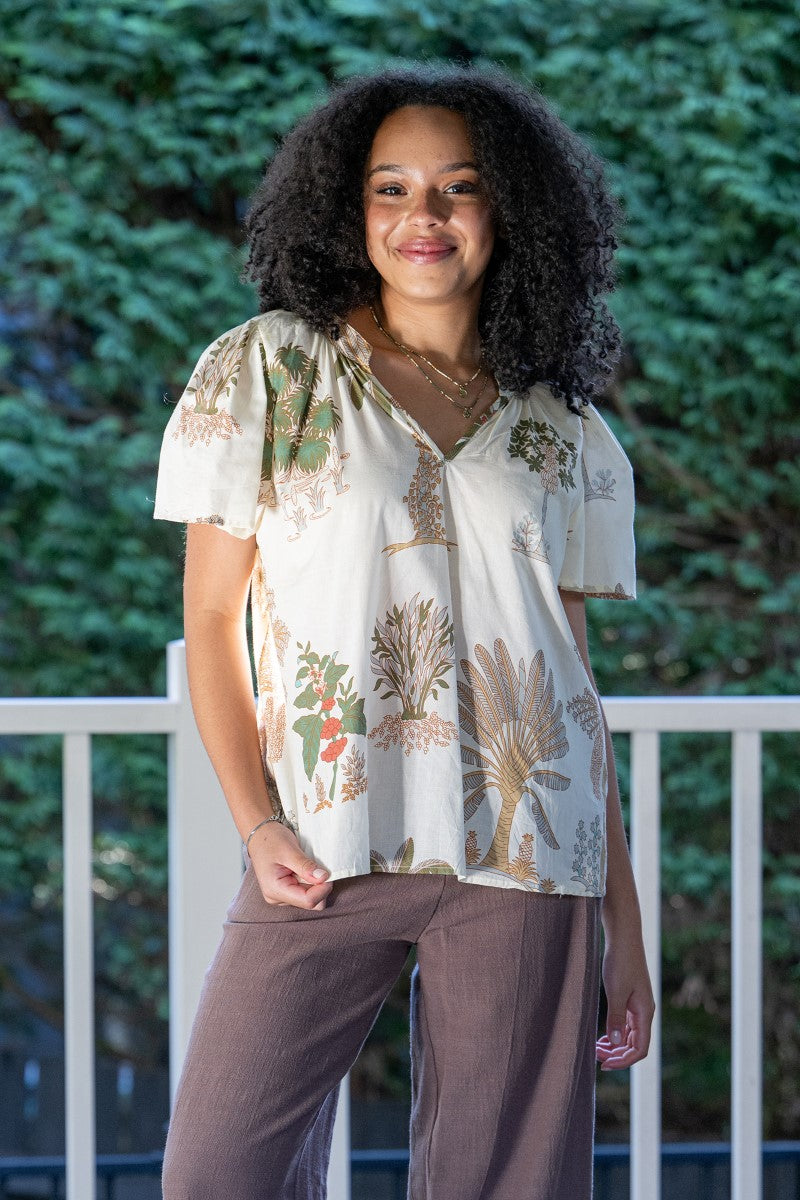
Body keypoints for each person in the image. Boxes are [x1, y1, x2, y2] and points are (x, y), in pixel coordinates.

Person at [154, 62, 655, 1200]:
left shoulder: (561, 427)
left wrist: (621, 920)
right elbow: (212, 617)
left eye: (457, 186)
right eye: (390, 188)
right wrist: (257, 822)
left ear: (507, 210)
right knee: (216, 1172)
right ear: (350, 207)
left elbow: (569, 675)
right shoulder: (273, 368)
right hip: (322, 844)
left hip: (530, 850)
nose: (422, 215)